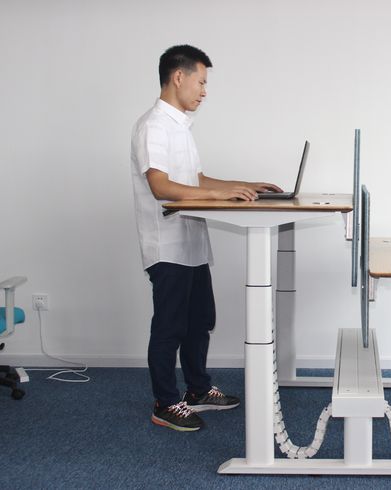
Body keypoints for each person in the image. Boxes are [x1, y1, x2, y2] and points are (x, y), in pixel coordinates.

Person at [130, 44, 282, 431]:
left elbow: (196, 180)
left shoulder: (180, 125)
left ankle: (197, 390)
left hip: (192, 243)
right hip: (166, 245)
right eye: (201, 81)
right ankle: (165, 402)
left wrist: (245, 185)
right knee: (170, 326)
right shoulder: (153, 126)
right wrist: (219, 195)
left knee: (200, 320)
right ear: (178, 77)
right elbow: (161, 185)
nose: (204, 90)